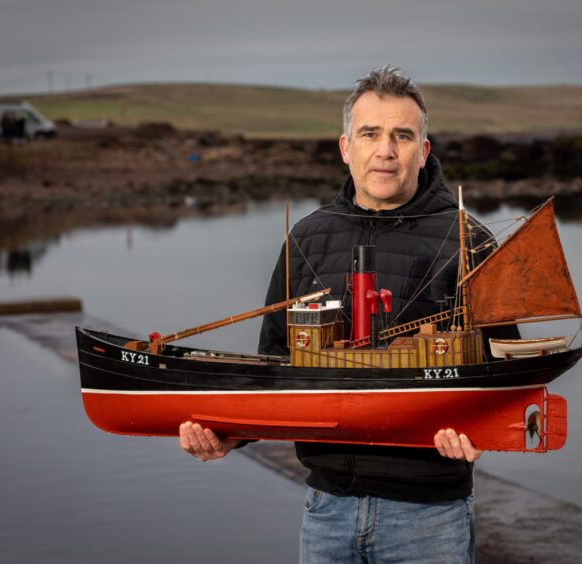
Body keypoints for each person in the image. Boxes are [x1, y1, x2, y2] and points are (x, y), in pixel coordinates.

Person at [179, 66, 518, 563]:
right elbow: (276, 366)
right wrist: (229, 435)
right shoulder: (307, 239)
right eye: (370, 134)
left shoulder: (469, 240)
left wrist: (483, 435)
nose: (386, 149)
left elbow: (506, 369)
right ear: (346, 147)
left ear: (423, 152)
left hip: (429, 518)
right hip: (326, 511)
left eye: (402, 136)